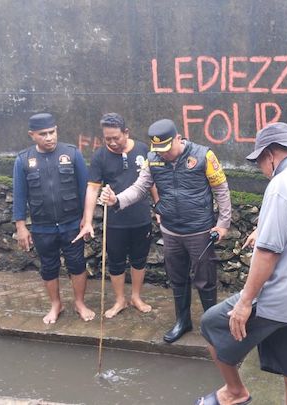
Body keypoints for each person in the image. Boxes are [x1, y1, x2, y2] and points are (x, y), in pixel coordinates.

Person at [197, 122, 287, 405]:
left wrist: (245, 302)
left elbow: (268, 252)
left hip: (278, 297)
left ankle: (235, 392)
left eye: (259, 160)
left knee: (211, 324)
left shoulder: (281, 185)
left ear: (270, 154)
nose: (261, 167)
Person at [99, 118, 231, 343]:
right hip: (171, 231)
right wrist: (116, 199)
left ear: (178, 138)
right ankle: (183, 321)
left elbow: (221, 189)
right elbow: (140, 187)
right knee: (177, 279)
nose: (163, 154)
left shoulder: (203, 155)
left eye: (167, 148)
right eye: (158, 149)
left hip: (199, 230)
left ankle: (212, 325)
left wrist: (223, 223)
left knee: (205, 280)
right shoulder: (153, 159)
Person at [73, 113, 159, 318]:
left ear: (126, 132)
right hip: (115, 220)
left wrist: (159, 207)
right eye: (107, 139)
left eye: (116, 138)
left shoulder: (142, 150)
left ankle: (136, 296)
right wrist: (87, 221)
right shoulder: (100, 156)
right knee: (116, 261)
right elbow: (92, 189)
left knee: (139, 259)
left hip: (141, 217)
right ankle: (120, 299)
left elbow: (152, 182)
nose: (112, 142)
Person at [12, 113, 95, 325]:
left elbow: (87, 190)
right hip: (42, 226)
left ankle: (79, 303)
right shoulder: (23, 160)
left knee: (77, 264)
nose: (49, 137)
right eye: (43, 134)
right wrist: (21, 227)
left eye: (52, 132)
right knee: (48, 266)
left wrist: (87, 221)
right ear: (32, 135)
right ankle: (56, 304)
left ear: (56, 130)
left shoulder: (72, 154)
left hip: (71, 224)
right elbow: (19, 196)